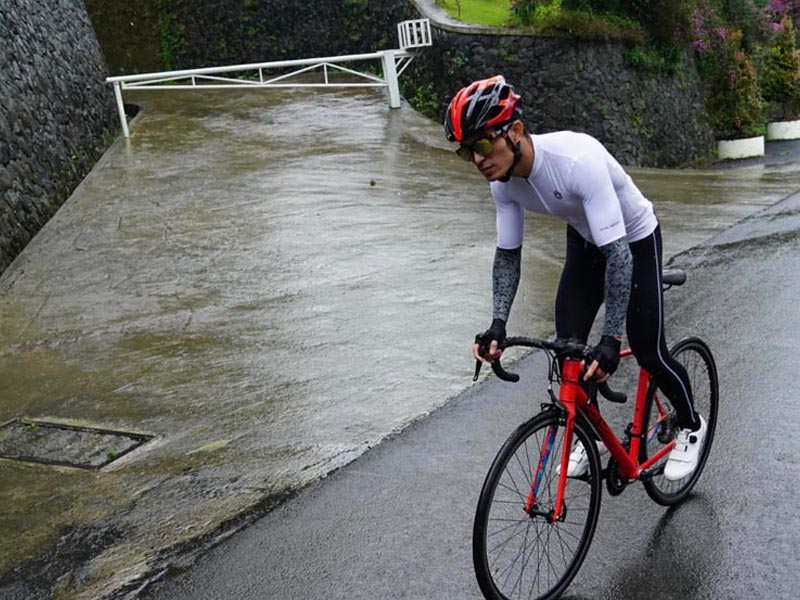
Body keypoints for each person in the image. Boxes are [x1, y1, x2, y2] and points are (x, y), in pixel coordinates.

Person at [445, 75, 705, 481]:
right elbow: (508, 256)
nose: (477, 159)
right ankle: (591, 438)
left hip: (632, 237)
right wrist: (498, 323)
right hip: (585, 238)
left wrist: (610, 339)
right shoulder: (503, 184)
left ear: (515, 132)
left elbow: (618, 255)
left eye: (482, 144)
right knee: (569, 348)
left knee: (646, 347)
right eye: (466, 152)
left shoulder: (576, 161)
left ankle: (691, 424)